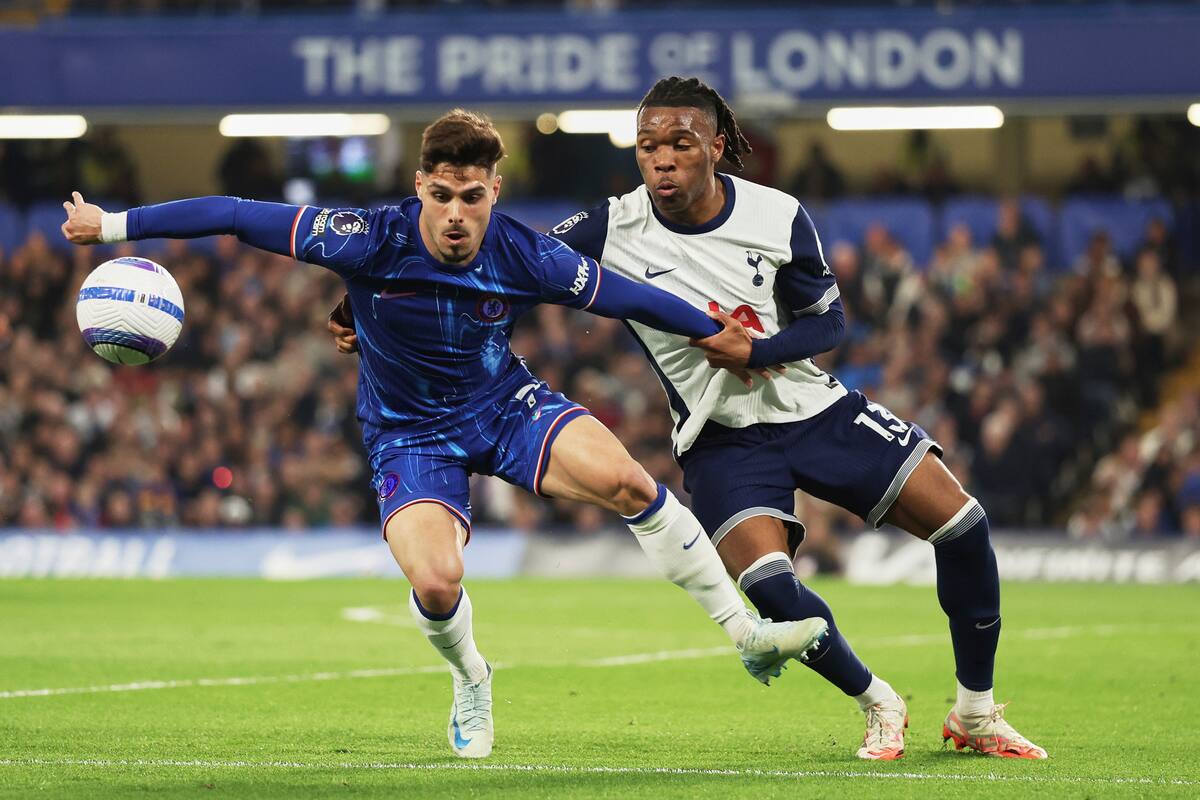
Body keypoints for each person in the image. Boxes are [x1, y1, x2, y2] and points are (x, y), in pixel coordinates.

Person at [60, 110, 828, 761]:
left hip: (505, 406)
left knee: (630, 481)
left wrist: (720, 334)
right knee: (435, 584)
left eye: (471, 196)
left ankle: (744, 631)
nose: (456, 214)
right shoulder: (363, 237)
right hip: (410, 434)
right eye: (440, 195)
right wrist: (116, 225)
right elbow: (233, 213)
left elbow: (632, 295)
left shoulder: (524, 252)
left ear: (494, 190)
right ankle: (471, 677)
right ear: (418, 188)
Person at [329, 80, 1047, 761]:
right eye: (646, 146)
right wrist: (376, 304)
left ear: (717, 145)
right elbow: (507, 267)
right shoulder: (613, 224)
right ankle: (877, 702)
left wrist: (761, 348)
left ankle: (977, 711)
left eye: (679, 142)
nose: (661, 159)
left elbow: (828, 320)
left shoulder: (778, 213)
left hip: (814, 407)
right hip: (719, 436)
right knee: (768, 586)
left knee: (963, 524)